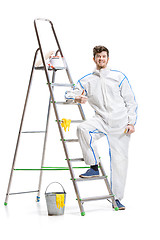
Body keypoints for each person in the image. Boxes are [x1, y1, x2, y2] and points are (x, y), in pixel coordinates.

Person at [65, 45, 138, 210]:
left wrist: (131, 122)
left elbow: (130, 101)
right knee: (82, 129)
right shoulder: (87, 80)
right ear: (94, 59)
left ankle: (116, 199)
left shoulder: (118, 77)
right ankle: (93, 166)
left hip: (121, 124)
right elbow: (68, 94)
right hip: (101, 120)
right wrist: (77, 98)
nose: (101, 59)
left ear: (108, 58)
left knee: (120, 162)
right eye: (98, 57)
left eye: (104, 56)